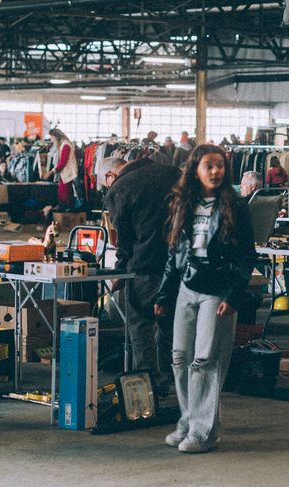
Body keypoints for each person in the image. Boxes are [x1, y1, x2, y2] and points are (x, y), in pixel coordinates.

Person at [154, 145, 256, 453]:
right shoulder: (182, 204)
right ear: (194, 169)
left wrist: (234, 295)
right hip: (187, 287)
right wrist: (165, 293)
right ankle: (187, 422)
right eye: (209, 166)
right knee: (180, 358)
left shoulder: (235, 206)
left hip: (218, 291)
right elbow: (175, 254)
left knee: (206, 361)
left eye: (220, 166)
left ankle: (203, 432)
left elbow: (246, 254)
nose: (215, 171)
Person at [102, 154, 179, 376]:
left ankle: (150, 387)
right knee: (172, 327)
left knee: (141, 327)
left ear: (110, 175)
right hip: (179, 266)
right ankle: (174, 378)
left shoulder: (120, 188)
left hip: (143, 267)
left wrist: (119, 271)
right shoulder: (174, 173)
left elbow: (124, 240)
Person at [47, 127, 79, 208]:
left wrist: (52, 172)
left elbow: (63, 162)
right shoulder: (64, 145)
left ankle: (66, 214)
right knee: (65, 193)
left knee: (65, 194)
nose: (51, 140)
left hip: (68, 173)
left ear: (55, 136)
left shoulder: (65, 145)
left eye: (51, 137)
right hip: (65, 173)